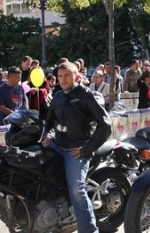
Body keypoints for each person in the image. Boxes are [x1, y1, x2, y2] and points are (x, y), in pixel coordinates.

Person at [42, 62, 112, 233]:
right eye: (60, 76)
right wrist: (47, 136)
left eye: (67, 75)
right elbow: (50, 121)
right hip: (57, 146)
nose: (63, 79)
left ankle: (89, 230)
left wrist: (87, 148)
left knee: (76, 190)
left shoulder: (87, 96)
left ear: (76, 76)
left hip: (76, 150)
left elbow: (106, 124)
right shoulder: (57, 96)